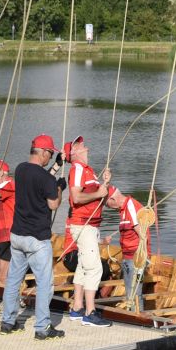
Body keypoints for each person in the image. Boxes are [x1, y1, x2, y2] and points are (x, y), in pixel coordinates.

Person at [0, 134, 64, 338]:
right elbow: (53, 204)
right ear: (44, 153)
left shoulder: (20, 169)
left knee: (13, 280)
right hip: (37, 239)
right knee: (44, 283)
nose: (50, 156)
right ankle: (42, 327)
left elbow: (39, 179)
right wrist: (60, 188)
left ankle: (7, 322)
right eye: (50, 154)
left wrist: (55, 167)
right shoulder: (46, 179)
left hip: (17, 235)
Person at [64, 136, 112, 326]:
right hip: (84, 224)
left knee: (83, 266)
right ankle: (90, 312)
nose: (84, 146)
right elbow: (76, 197)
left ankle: (77, 308)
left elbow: (96, 196)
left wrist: (105, 184)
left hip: (89, 224)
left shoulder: (87, 171)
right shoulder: (77, 168)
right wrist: (99, 192)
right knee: (94, 268)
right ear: (74, 153)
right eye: (79, 145)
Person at [104, 185, 149, 310]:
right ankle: (133, 314)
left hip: (135, 257)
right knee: (130, 291)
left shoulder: (130, 206)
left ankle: (138, 318)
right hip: (127, 256)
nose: (108, 207)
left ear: (113, 199)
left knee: (135, 292)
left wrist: (142, 258)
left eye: (107, 204)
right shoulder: (123, 210)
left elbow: (141, 232)